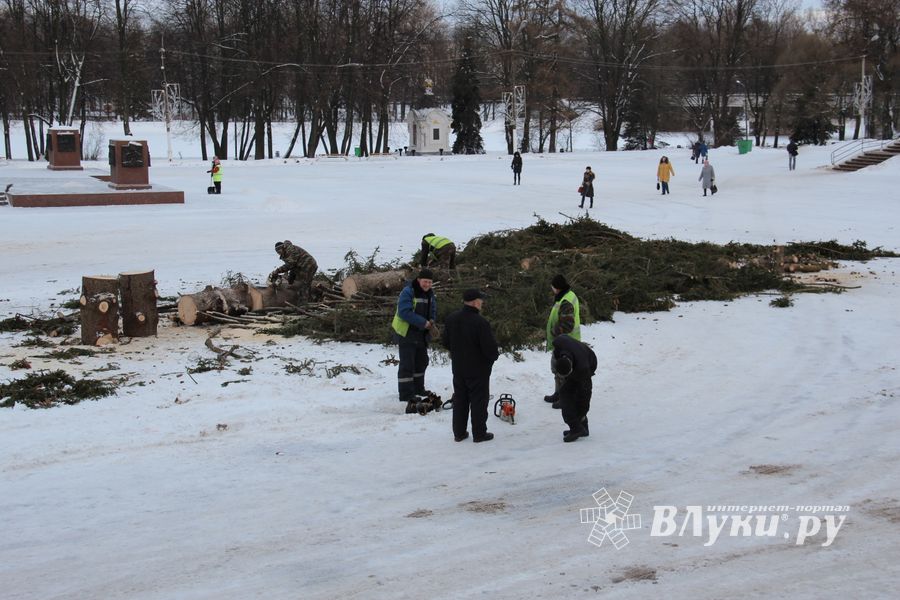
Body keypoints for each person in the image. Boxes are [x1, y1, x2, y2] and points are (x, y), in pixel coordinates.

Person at [442, 289, 500, 443]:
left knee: (460, 399)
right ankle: (480, 433)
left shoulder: (451, 319)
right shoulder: (480, 322)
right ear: (475, 302)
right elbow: (490, 348)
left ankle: (459, 433)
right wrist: (492, 358)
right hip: (478, 369)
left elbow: (446, 342)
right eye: (481, 300)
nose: (482, 303)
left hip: (459, 367)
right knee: (479, 401)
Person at [391, 269, 437, 413]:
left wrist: (432, 321)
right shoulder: (408, 292)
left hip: (421, 334)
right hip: (406, 332)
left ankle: (418, 388)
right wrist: (423, 323)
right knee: (407, 364)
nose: (427, 284)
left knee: (421, 361)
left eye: (430, 282)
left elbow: (433, 309)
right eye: (425, 281)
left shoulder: (430, 293)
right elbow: (405, 312)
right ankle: (406, 394)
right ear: (419, 280)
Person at [543, 274, 581, 407]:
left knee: (564, 372)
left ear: (557, 287)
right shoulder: (563, 297)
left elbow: (567, 325)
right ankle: (558, 393)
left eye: (553, 287)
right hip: (561, 342)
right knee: (557, 370)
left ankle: (565, 399)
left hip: (568, 343)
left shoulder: (566, 301)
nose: (552, 289)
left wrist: (553, 332)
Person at [551, 334, 597, 442]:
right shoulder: (559, 344)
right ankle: (581, 427)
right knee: (565, 393)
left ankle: (577, 429)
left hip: (589, 364)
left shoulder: (582, 369)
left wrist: (580, 414)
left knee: (574, 398)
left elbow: (585, 398)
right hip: (580, 359)